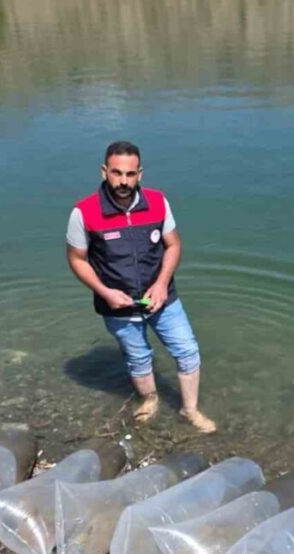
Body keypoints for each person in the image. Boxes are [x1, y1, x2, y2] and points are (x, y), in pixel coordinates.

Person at [65, 141, 216, 433]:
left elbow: (173, 245)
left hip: (162, 298)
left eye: (130, 174)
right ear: (104, 171)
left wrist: (161, 284)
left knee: (187, 351)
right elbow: (76, 259)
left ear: (140, 174)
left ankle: (190, 410)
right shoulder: (83, 212)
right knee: (138, 357)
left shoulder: (159, 202)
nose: (123, 181)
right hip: (117, 304)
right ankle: (150, 400)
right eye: (117, 173)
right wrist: (105, 292)